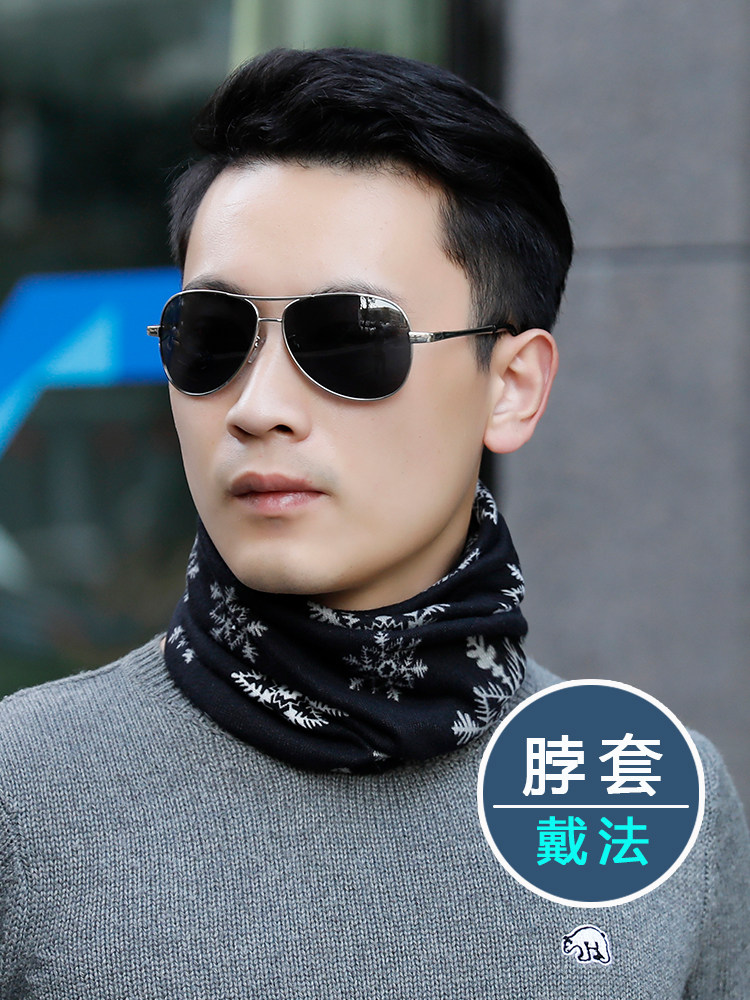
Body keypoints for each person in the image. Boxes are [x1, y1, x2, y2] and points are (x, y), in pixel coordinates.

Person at [0, 47, 747, 999]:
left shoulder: (652, 802)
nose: (258, 407)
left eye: (351, 339)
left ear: (512, 386)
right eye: (213, 337)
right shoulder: (24, 792)